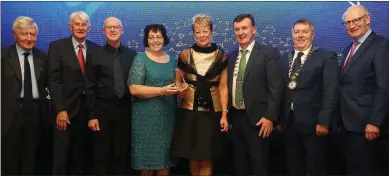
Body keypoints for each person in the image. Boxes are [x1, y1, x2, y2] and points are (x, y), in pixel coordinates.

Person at [170, 14, 229, 176]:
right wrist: (180, 89)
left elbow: (223, 87)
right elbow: (178, 81)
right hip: (189, 111)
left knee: (207, 157)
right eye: (198, 32)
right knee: (193, 157)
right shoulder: (184, 55)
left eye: (205, 31)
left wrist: (225, 114)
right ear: (193, 33)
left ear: (211, 32)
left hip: (212, 113)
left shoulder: (221, 56)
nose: (202, 35)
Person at [279, 19, 339, 175]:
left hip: (315, 125)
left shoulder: (326, 57)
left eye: (304, 31)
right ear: (292, 35)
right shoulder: (284, 58)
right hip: (289, 124)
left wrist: (324, 122)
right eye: (296, 32)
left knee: (315, 167)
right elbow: (280, 91)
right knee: (293, 166)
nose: (300, 36)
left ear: (312, 34)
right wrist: (279, 119)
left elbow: (331, 91)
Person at [227, 14, 284, 176]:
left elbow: (276, 88)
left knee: (259, 164)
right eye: (237, 29)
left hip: (259, 120)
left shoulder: (268, 53)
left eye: (244, 28)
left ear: (254, 30)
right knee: (240, 164)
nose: (240, 32)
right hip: (236, 119)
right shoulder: (231, 57)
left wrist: (270, 117)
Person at [128, 24, 185, 176]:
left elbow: (177, 86)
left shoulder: (173, 61)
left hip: (167, 118)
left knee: (164, 162)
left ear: (164, 38)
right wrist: (161, 91)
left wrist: (182, 89)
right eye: (151, 37)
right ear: (146, 40)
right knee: (146, 163)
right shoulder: (140, 59)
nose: (155, 40)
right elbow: (134, 89)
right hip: (145, 119)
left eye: (158, 36)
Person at [48, 11, 100, 175]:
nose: (80, 27)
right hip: (66, 110)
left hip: (88, 111)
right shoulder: (57, 47)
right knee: (62, 156)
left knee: (83, 156)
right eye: (77, 24)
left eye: (84, 24)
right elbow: (54, 80)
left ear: (89, 28)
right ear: (70, 27)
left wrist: (93, 113)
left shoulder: (96, 49)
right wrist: (61, 109)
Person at [340, 5, 389, 175]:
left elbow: (384, 87)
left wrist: (375, 122)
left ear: (367, 19)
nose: (352, 25)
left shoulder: (382, 45)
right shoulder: (348, 49)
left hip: (367, 126)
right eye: (347, 23)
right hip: (348, 126)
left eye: (356, 20)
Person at [84, 17, 136, 175]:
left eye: (116, 27)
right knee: (101, 154)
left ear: (122, 30)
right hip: (102, 111)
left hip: (125, 111)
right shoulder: (95, 55)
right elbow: (89, 86)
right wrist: (91, 115)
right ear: (103, 31)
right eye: (109, 27)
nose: (113, 30)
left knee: (121, 154)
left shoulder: (132, 55)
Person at [1, 16, 48, 175]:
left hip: (35, 115)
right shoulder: (3, 56)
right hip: (8, 116)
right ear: (14, 35)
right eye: (24, 34)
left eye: (33, 34)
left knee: (30, 161)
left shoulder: (44, 58)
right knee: (9, 162)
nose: (29, 39)